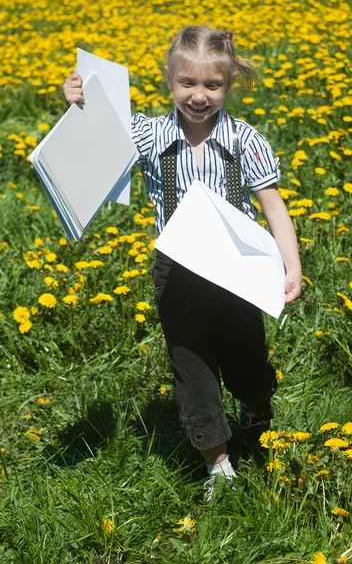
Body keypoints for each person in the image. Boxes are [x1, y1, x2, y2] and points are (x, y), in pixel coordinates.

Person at [63, 25, 302, 500]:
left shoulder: (245, 142)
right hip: (177, 273)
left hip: (238, 271)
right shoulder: (149, 135)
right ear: (169, 81)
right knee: (190, 367)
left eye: (212, 85)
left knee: (247, 362)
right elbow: (95, 133)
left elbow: (273, 205)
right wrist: (75, 98)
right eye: (186, 84)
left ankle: (256, 408)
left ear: (230, 84)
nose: (198, 96)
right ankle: (218, 464)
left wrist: (290, 264)